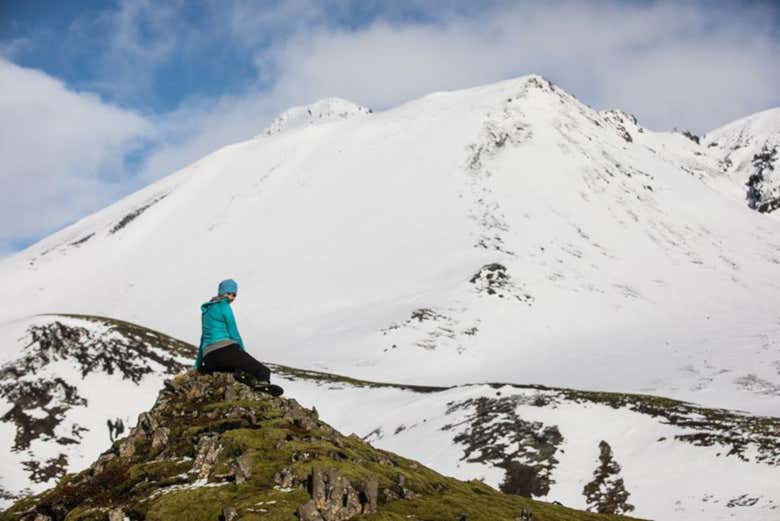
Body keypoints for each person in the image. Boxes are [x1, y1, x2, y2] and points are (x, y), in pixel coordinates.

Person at [195, 278, 272, 387]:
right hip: (225, 351)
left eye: (234, 295)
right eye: (229, 293)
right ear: (221, 292)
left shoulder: (206, 311)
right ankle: (263, 385)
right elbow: (234, 333)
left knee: (238, 372)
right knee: (263, 371)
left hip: (209, 358)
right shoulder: (224, 306)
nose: (231, 297)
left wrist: (197, 365)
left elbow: (203, 339)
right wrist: (242, 352)